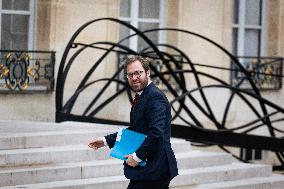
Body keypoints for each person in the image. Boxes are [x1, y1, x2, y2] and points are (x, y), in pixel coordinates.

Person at [88, 55, 178, 189]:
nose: (134, 78)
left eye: (138, 73)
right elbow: (136, 129)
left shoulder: (154, 96)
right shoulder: (143, 95)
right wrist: (105, 141)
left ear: (147, 72)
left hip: (156, 168)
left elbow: (156, 133)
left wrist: (137, 157)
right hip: (153, 169)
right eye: (130, 75)